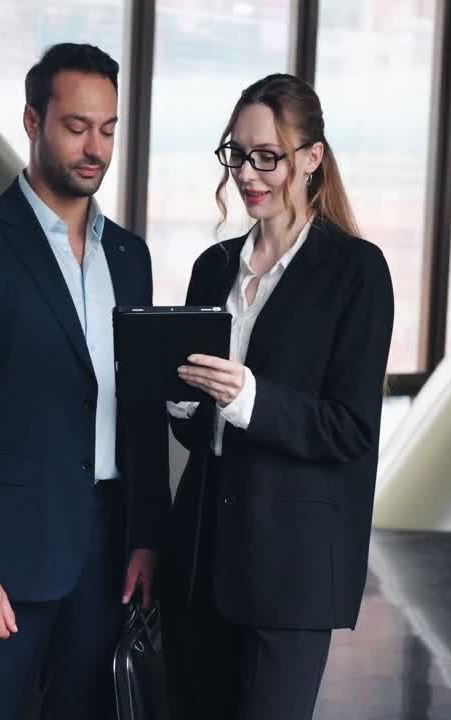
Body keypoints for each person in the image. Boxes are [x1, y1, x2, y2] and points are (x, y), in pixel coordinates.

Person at [0, 43, 169, 720]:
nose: (95, 147)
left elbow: (138, 406)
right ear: (32, 121)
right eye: (76, 126)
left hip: (109, 553)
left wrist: (146, 536)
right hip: (5, 556)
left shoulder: (130, 256)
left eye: (109, 129)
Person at [159, 72, 394, 720]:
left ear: (311, 158)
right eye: (237, 153)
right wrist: (181, 402)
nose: (248, 173)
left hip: (288, 572)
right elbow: (201, 432)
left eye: (268, 156)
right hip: (198, 560)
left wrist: (249, 398)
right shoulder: (214, 267)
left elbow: (350, 429)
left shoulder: (357, 272)